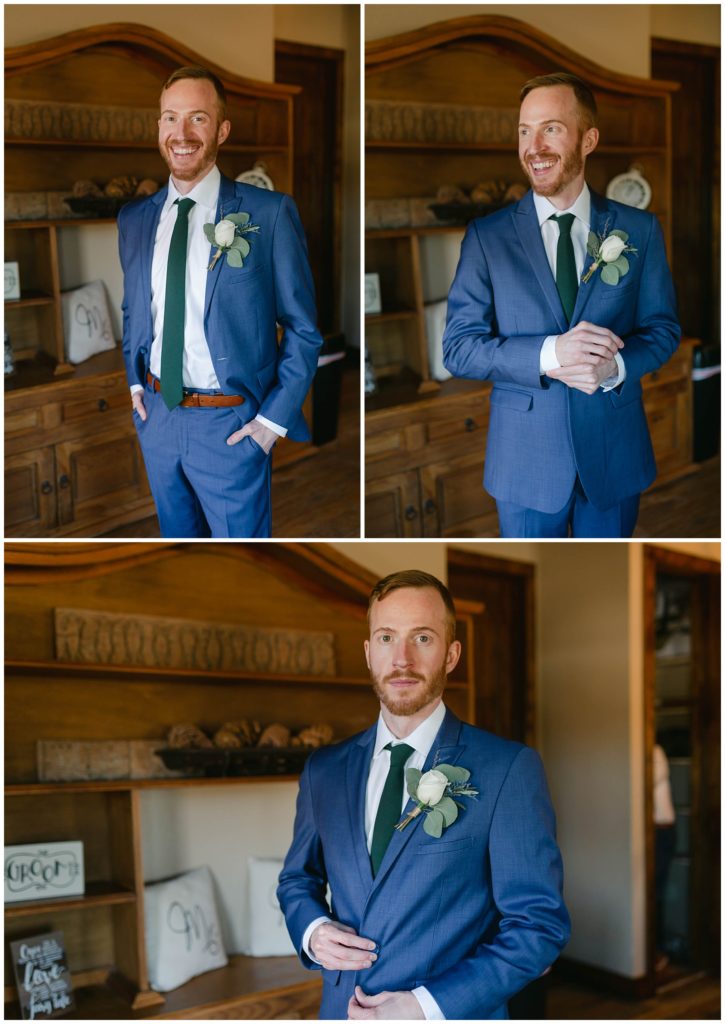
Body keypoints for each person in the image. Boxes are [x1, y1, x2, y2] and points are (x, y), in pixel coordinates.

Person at [278, 570, 570, 1020]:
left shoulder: (507, 768)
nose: (402, 659)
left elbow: (539, 927)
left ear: (452, 654)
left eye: (423, 638)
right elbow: (298, 880)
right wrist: (312, 930)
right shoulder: (324, 770)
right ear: (368, 652)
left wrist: (425, 1007)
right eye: (387, 637)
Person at [442, 72, 680, 538]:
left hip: (614, 455)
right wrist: (551, 355)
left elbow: (662, 330)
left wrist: (613, 369)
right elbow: (458, 349)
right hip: (524, 464)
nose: (534, 146)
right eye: (524, 131)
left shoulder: (639, 230)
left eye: (551, 128)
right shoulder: (486, 237)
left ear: (588, 139)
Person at [118, 66, 323, 537]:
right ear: (158, 128)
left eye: (198, 119)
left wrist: (271, 423)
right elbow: (134, 309)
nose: (181, 134)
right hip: (157, 418)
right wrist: (134, 385)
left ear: (222, 130)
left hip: (232, 426)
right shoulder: (134, 219)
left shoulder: (268, 214)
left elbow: (303, 327)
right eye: (170, 119)